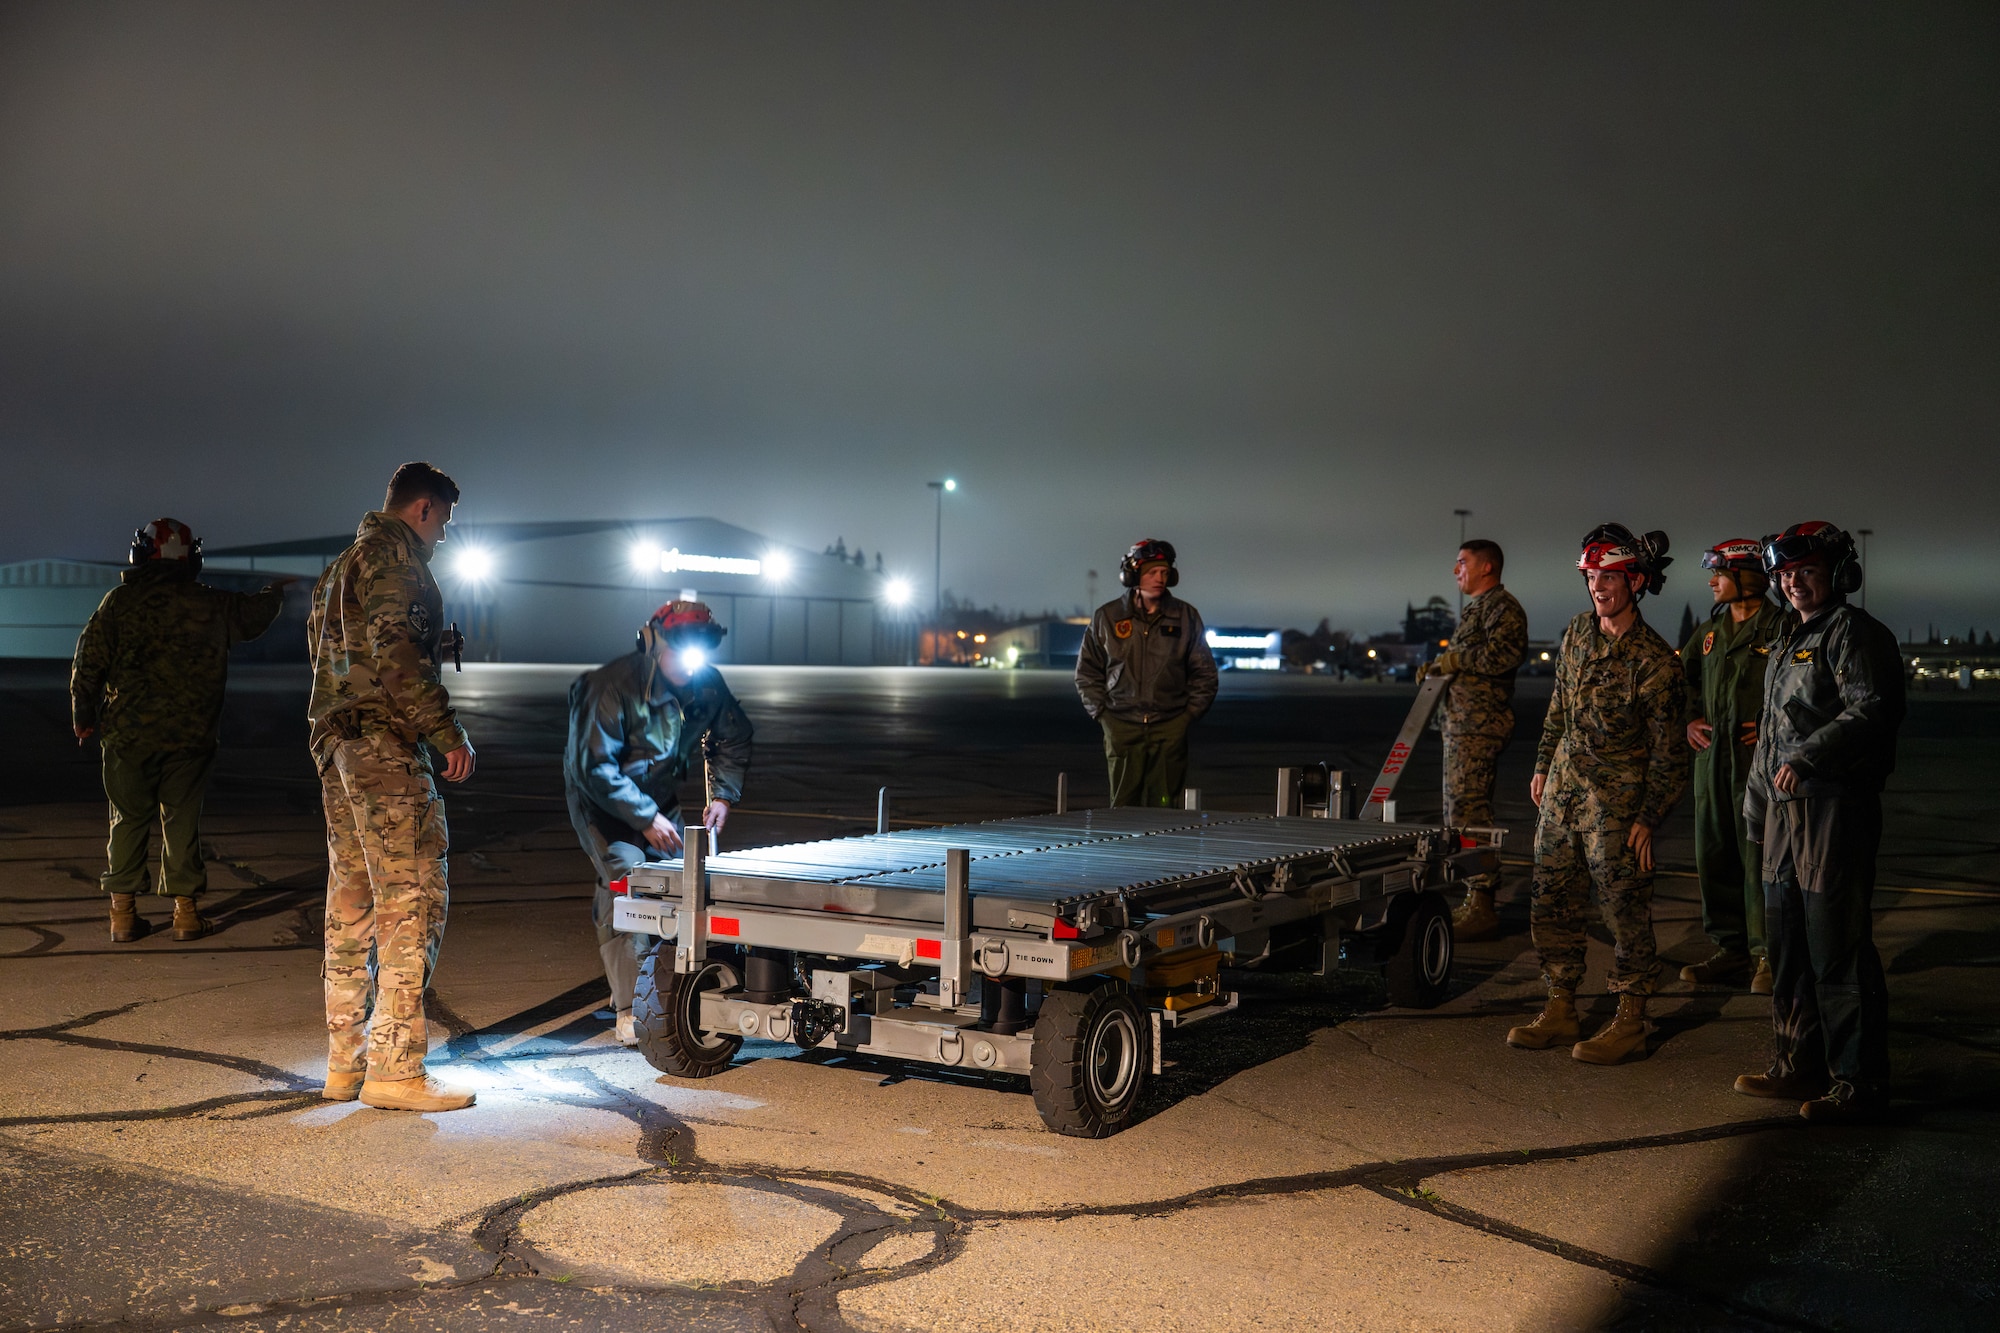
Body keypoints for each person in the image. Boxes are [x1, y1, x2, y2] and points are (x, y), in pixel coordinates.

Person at [308, 462, 476, 1112]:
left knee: (349, 897)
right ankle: (397, 1067)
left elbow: (337, 654)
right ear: (424, 508)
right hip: (382, 747)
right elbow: (397, 659)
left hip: (335, 743)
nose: (444, 538)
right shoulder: (395, 560)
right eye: (446, 523)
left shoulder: (338, 569)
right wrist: (448, 732)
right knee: (412, 896)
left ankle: (344, 1062)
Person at [1733, 522, 1905, 1124]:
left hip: (1833, 808)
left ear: (1836, 574)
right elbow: (1768, 739)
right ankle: (1796, 1065)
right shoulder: (1786, 642)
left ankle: (1858, 1084)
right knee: (1789, 948)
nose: (1794, 583)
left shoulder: (1855, 634)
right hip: (1783, 817)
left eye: (1806, 571)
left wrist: (1811, 758)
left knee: (1837, 947)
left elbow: (1873, 708)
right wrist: (1755, 810)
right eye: (1785, 574)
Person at [1508, 524, 1688, 1064]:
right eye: (1591, 577)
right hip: (1562, 795)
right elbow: (1558, 708)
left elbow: (1669, 752)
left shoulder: (1656, 663)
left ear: (1634, 581)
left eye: (1608, 578)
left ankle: (1631, 1017)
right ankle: (1560, 1005)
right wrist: (1543, 764)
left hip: (1617, 807)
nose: (1597, 587)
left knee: (1623, 910)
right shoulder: (1576, 633)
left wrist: (1650, 817)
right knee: (1552, 900)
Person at [70, 518, 290, 943]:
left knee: (128, 820)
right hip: (191, 738)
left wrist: (83, 715)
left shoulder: (118, 602)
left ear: (141, 554)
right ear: (192, 558)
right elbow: (254, 616)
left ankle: (123, 915)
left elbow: (89, 660)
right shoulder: (211, 603)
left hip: (128, 737)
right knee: (182, 821)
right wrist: (275, 591)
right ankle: (186, 915)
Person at [564, 600, 753, 1044]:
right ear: (652, 645)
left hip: (658, 796)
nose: (690, 665)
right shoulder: (611, 686)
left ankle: (671, 983)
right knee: (627, 881)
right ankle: (630, 1005)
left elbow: (733, 734)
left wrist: (724, 795)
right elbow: (593, 766)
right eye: (679, 651)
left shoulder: (705, 683)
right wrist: (645, 818)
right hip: (600, 800)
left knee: (681, 880)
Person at [1679, 539, 1791, 993]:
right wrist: (1689, 719)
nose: (1711, 582)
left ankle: (1767, 954)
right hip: (1712, 763)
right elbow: (1679, 678)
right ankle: (1729, 948)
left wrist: (1772, 728)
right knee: (1714, 852)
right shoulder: (1709, 633)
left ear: (1747, 578)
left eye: (1719, 574)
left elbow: (1802, 688)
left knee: (1760, 858)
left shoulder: (1781, 628)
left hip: (1758, 765)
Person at [1426, 539, 1528, 940]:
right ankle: (1474, 894)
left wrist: (1456, 660)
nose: (1455, 571)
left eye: (1462, 563)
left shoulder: (1503, 608)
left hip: (1478, 725)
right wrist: (1438, 670)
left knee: (1470, 815)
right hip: (1461, 724)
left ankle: (1482, 902)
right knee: (1459, 813)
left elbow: (1505, 656)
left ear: (1486, 567)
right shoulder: (1477, 610)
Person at [1075, 539, 1219, 808]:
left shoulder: (1185, 617)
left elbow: (1205, 674)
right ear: (1133, 575)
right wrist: (1104, 716)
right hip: (1122, 726)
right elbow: (1086, 672)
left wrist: (1186, 717)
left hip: (1169, 727)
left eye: (1164, 572)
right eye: (1152, 572)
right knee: (1122, 808)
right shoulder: (1107, 617)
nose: (1159, 578)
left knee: (1165, 810)